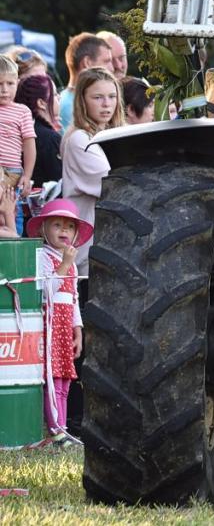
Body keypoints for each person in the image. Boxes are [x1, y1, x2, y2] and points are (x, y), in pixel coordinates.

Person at [30, 198, 94, 444]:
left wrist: (78, 328)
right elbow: (46, 292)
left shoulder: (73, 265)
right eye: (57, 225)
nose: (64, 230)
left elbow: (74, 299)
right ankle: (55, 428)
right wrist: (65, 264)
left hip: (65, 326)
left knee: (65, 377)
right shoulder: (43, 257)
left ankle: (63, 427)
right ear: (43, 230)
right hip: (50, 324)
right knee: (53, 376)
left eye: (69, 226)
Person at [61, 68, 123, 273]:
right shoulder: (80, 139)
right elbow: (114, 182)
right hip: (88, 252)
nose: (106, 104)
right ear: (82, 100)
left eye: (112, 96)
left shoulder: (109, 134)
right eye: (98, 97)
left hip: (107, 245)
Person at [0, 55, 36, 238]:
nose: (4, 90)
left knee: (13, 209)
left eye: (10, 83)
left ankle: (16, 240)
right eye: (0, 84)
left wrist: (27, 176)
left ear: (17, 83)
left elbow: (29, 145)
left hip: (13, 171)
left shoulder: (22, 111)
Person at [15, 74, 63, 189]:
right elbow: (60, 182)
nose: (59, 97)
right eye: (54, 94)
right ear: (41, 103)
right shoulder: (49, 138)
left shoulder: (21, 130)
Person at [59, 34, 113, 130]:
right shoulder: (70, 107)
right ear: (87, 62)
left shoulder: (68, 101)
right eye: (106, 61)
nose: (112, 68)